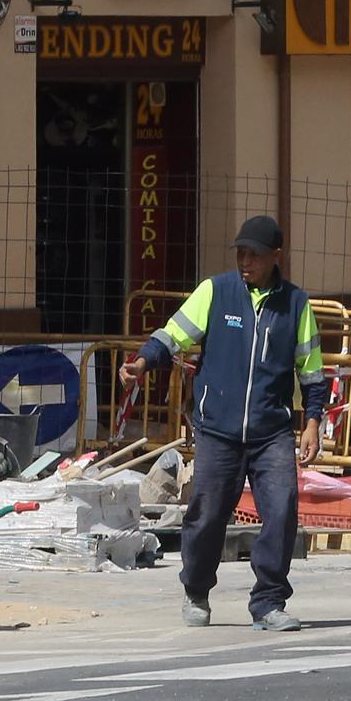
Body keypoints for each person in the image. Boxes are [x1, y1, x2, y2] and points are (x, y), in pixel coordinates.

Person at [119, 215, 325, 632]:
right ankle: (196, 590)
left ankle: (269, 603)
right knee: (207, 513)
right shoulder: (216, 292)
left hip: (272, 433)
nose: (245, 261)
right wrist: (142, 361)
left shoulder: (296, 305)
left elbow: (311, 371)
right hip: (217, 429)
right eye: (240, 253)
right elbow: (172, 335)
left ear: (276, 257)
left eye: (254, 255)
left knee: (283, 509)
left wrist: (313, 421)